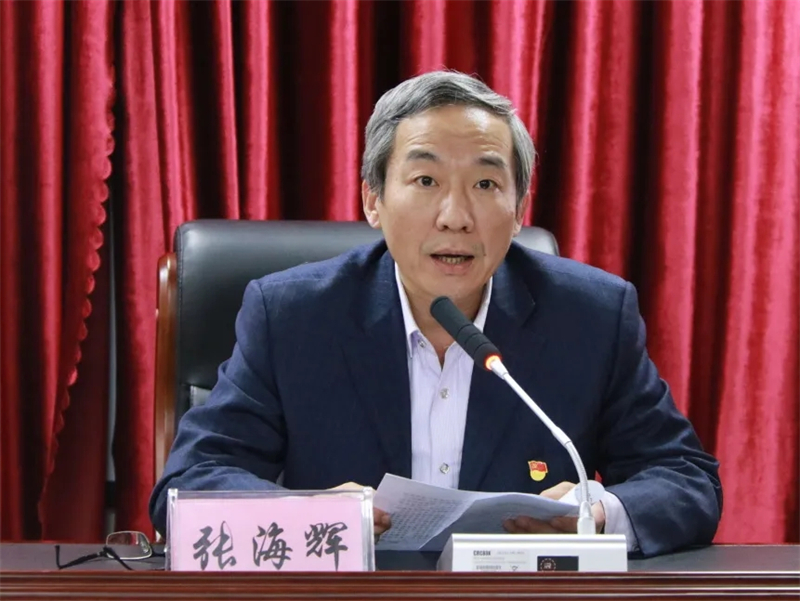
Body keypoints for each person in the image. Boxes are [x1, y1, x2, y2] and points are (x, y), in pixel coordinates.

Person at [150, 70, 722, 558]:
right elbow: (191, 482)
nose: (455, 216)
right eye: (426, 181)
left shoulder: (589, 317)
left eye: (486, 183)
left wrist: (599, 513)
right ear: (373, 199)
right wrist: (310, 516)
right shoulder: (293, 316)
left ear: (519, 210)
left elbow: (685, 478)